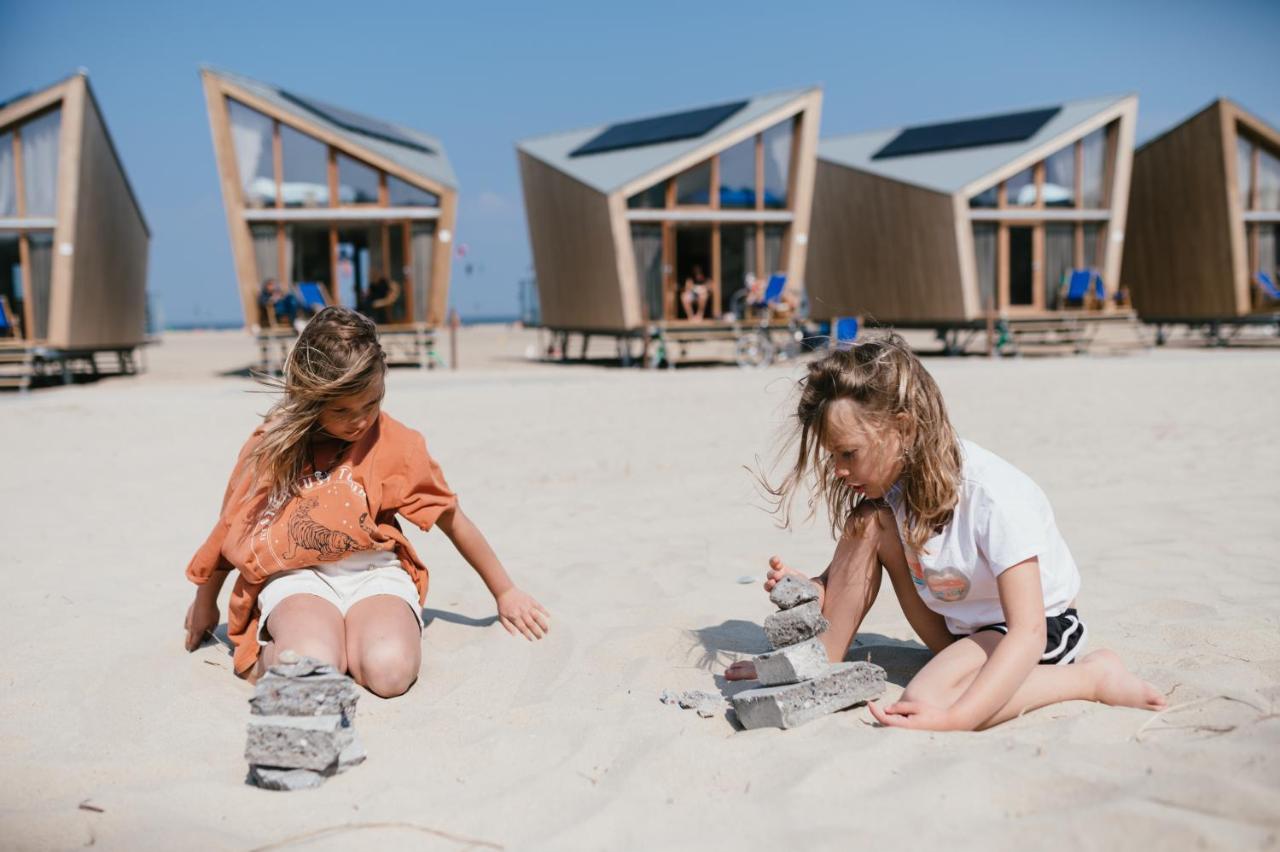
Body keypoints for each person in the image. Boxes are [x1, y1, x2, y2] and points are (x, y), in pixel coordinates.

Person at [726, 334, 1165, 730]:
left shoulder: (991, 494)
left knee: (928, 697)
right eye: (833, 456)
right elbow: (845, 575)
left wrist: (960, 718)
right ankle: (822, 657)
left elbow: (1028, 631)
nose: (839, 470)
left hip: (1031, 632)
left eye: (848, 454)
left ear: (903, 428)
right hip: (958, 627)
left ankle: (1090, 676)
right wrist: (816, 589)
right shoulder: (893, 490)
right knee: (868, 521)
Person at [183, 307, 549, 696]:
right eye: (340, 410)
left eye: (370, 404)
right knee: (313, 663)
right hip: (297, 577)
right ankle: (275, 663)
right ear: (310, 396)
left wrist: (504, 591)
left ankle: (351, 650)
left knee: (389, 672)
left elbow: (452, 518)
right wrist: (206, 600)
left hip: (375, 572)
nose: (358, 421)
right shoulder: (271, 445)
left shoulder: (398, 443)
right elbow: (231, 526)